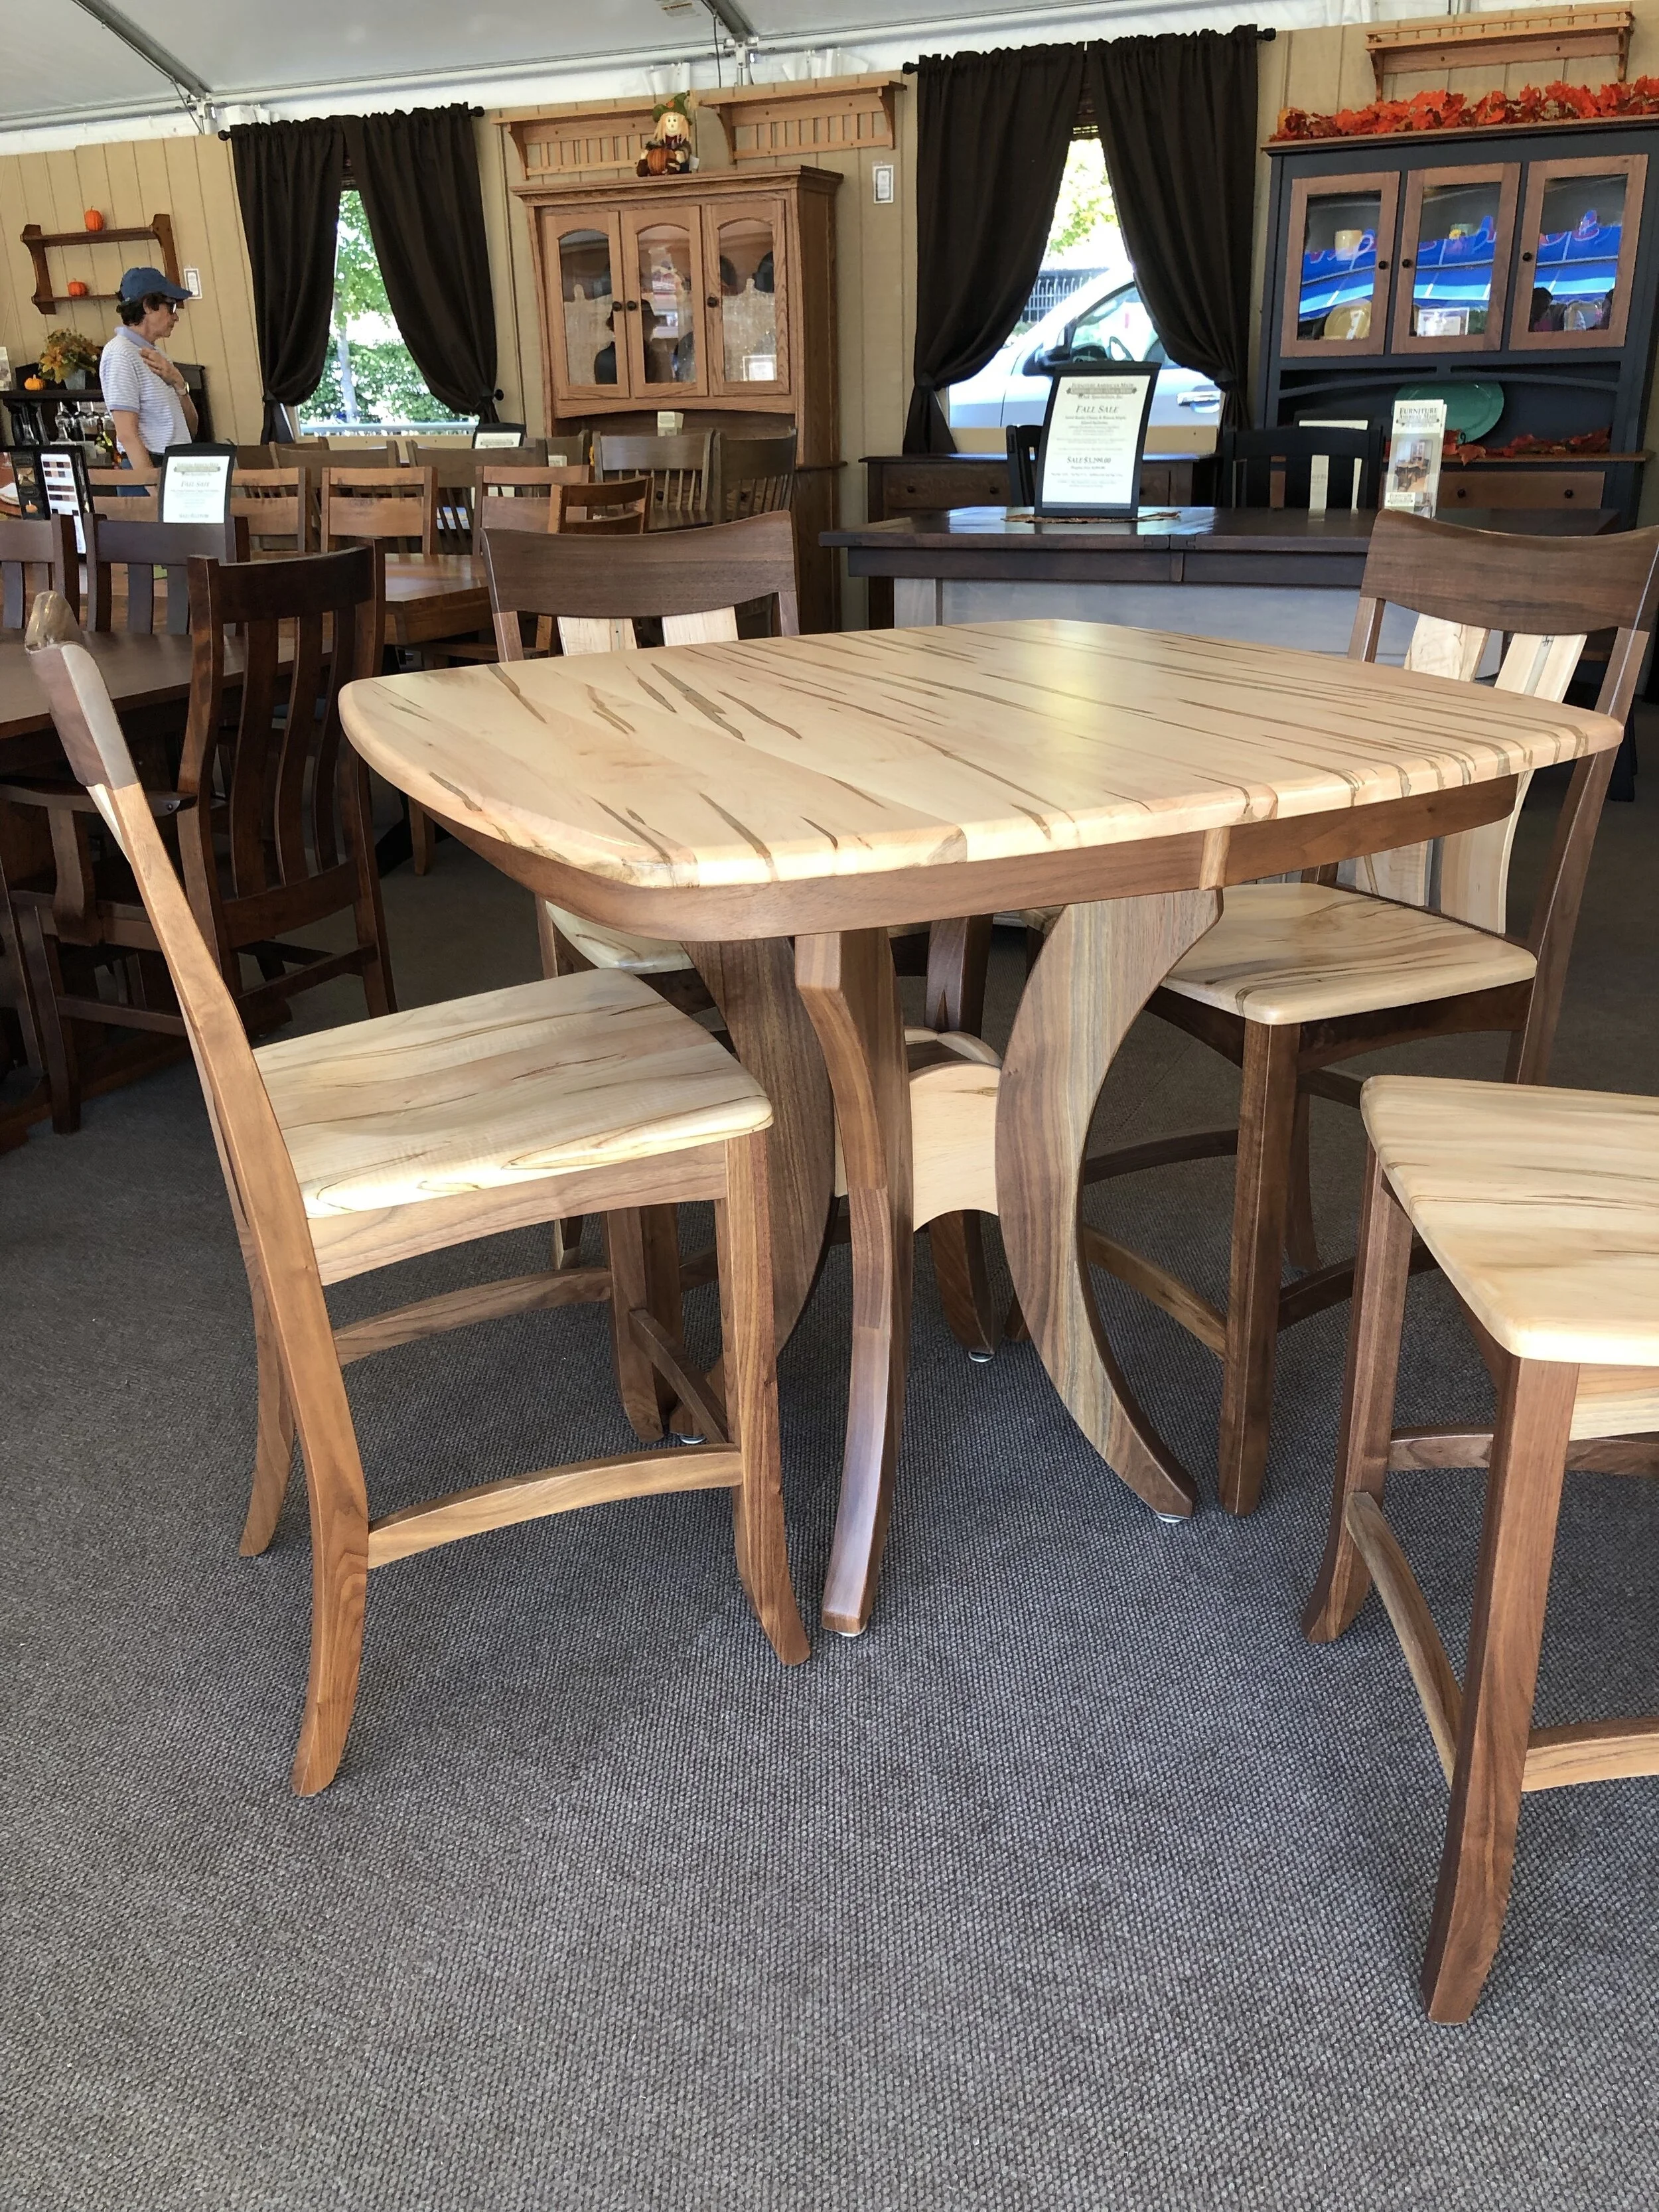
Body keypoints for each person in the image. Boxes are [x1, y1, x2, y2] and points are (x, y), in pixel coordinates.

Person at [98, 265, 197, 479]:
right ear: (148, 306)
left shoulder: (157, 355)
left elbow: (191, 429)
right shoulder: (120, 354)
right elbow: (127, 435)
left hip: (174, 463)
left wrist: (179, 384)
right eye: (171, 307)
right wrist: (155, 491)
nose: (176, 317)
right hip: (148, 469)